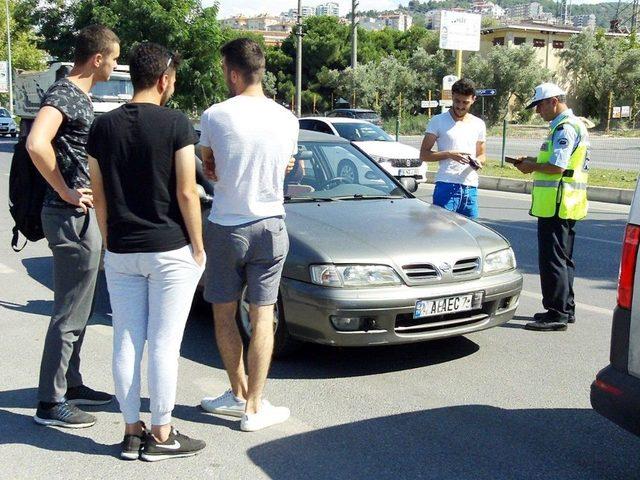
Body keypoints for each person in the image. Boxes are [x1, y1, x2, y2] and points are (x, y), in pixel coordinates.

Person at [87, 42, 206, 461]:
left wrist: (109, 241)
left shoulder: (102, 128)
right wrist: (199, 247)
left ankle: (130, 430)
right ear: (164, 79)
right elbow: (187, 191)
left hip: (122, 250)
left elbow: (98, 196)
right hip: (169, 248)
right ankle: (162, 433)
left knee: (127, 338)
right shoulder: (176, 124)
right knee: (164, 342)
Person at [198, 38, 299, 432]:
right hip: (271, 225)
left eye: (225, 69)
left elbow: (210, 166)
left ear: (234, 73)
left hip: (226, 226)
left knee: (223, 313)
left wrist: (218, 166)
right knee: (262, 317)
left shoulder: (214, 115)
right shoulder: (287, 118)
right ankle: (252, 406)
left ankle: (237, 392)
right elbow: (286, 166)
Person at [27, 24, 119, 429]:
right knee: (69, 310)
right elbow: (35, 142)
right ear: (97, 58)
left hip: (80, 216)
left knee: (82, 306)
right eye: (114, 58)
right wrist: (64, 189)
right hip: (69, 216)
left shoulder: (78, 95)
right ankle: (51, 401)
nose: (116, 66)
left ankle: (72, 384)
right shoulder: (65, 93)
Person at [513, 83, 589, 332]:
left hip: (556, 203)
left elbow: (557, 167)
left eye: (539, 105)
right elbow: (559, 164)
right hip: (566, 203)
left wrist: (531, 167)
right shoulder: (573, 125)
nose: (537, 111)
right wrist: (532, 162)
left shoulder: (565, 127)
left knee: (552, 259)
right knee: (564, 258)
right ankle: (565, 308)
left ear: (554, 101)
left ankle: (557, 314)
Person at [419, 78, 487, 219]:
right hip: (446, 185)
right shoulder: (438, 121)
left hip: (470, 187)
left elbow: (482, 154)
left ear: (473, 99)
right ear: (452, 96)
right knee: (442, 232)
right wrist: (449, 154)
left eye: (465, 102)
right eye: (457, 101)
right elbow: (424, 154)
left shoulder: (479, 124)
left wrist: (478, 161)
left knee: (472, 233)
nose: (460, 106)